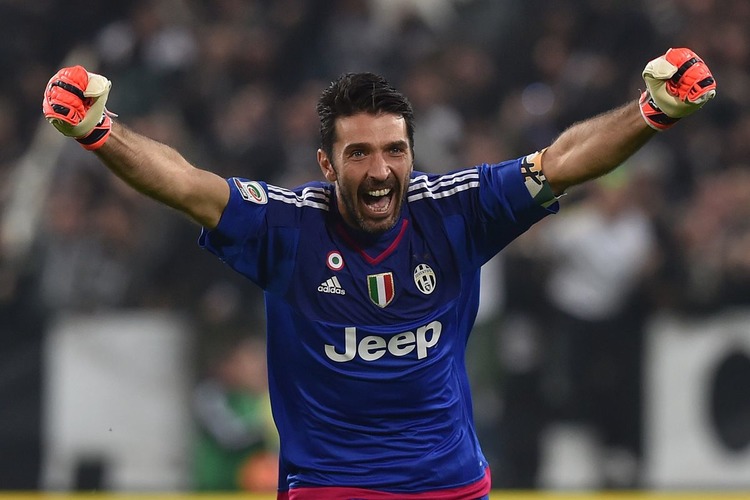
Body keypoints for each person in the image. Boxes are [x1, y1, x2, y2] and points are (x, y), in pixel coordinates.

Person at [41, 47, 716, 499]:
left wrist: (651, 111)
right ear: (327, 164)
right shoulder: (288, 226)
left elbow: (561, 161)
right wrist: (101, 131)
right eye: (359, 153)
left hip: (450, 486)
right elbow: (187, 184)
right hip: (331, 488)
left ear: (412, 154)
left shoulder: (456, 210)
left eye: (394, 150)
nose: (380, 170)